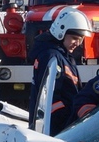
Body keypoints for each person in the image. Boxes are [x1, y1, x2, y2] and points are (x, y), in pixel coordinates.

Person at [30, 7, 91, 135]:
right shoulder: (51, 57)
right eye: (74, 38)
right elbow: (50, 98)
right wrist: (66, 122)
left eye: (81, 39)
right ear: (60, 32)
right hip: (56, 130)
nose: (78, 43)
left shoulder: (63, 56)